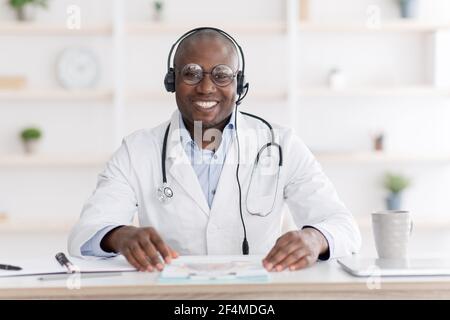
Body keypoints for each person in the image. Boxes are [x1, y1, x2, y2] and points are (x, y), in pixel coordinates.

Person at [68, 27, 361, 272]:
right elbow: (84, 234)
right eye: (191, 73)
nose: (206, 88)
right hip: (173, 298)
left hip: (256, 299)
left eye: (221, 75)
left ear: (240, 84)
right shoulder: (137, 150)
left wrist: (315, 238)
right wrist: (120, 236)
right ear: (172, 81)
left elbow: (344, 227)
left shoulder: (281, 145)